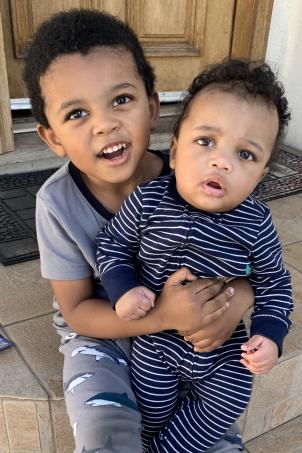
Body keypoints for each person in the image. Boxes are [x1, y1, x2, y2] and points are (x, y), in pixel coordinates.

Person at [23, 9, 253, 453]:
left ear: (151, 106)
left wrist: (238, 298)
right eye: (76, 113)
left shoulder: (197, 181)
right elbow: (76, 311)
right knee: (102, 429)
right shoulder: (57, 204)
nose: (104, 123)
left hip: (184, 335)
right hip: (102, 332)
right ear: (52, 138)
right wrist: (162, 316)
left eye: (121, 100)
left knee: (212, 427)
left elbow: (252, 263)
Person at [96, 59, 293, 452]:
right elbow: (112, 244)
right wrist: (123, 290)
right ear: (173, 152)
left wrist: (269, 336)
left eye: (246, 155)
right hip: (157, 341)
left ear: (261, 175)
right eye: (205, 142)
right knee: (149, 410)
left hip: (223, 350)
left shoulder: (255, 221)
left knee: (228, 402)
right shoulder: (149, 201)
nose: (221, 161)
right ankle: (154, 440)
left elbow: (274, 281)